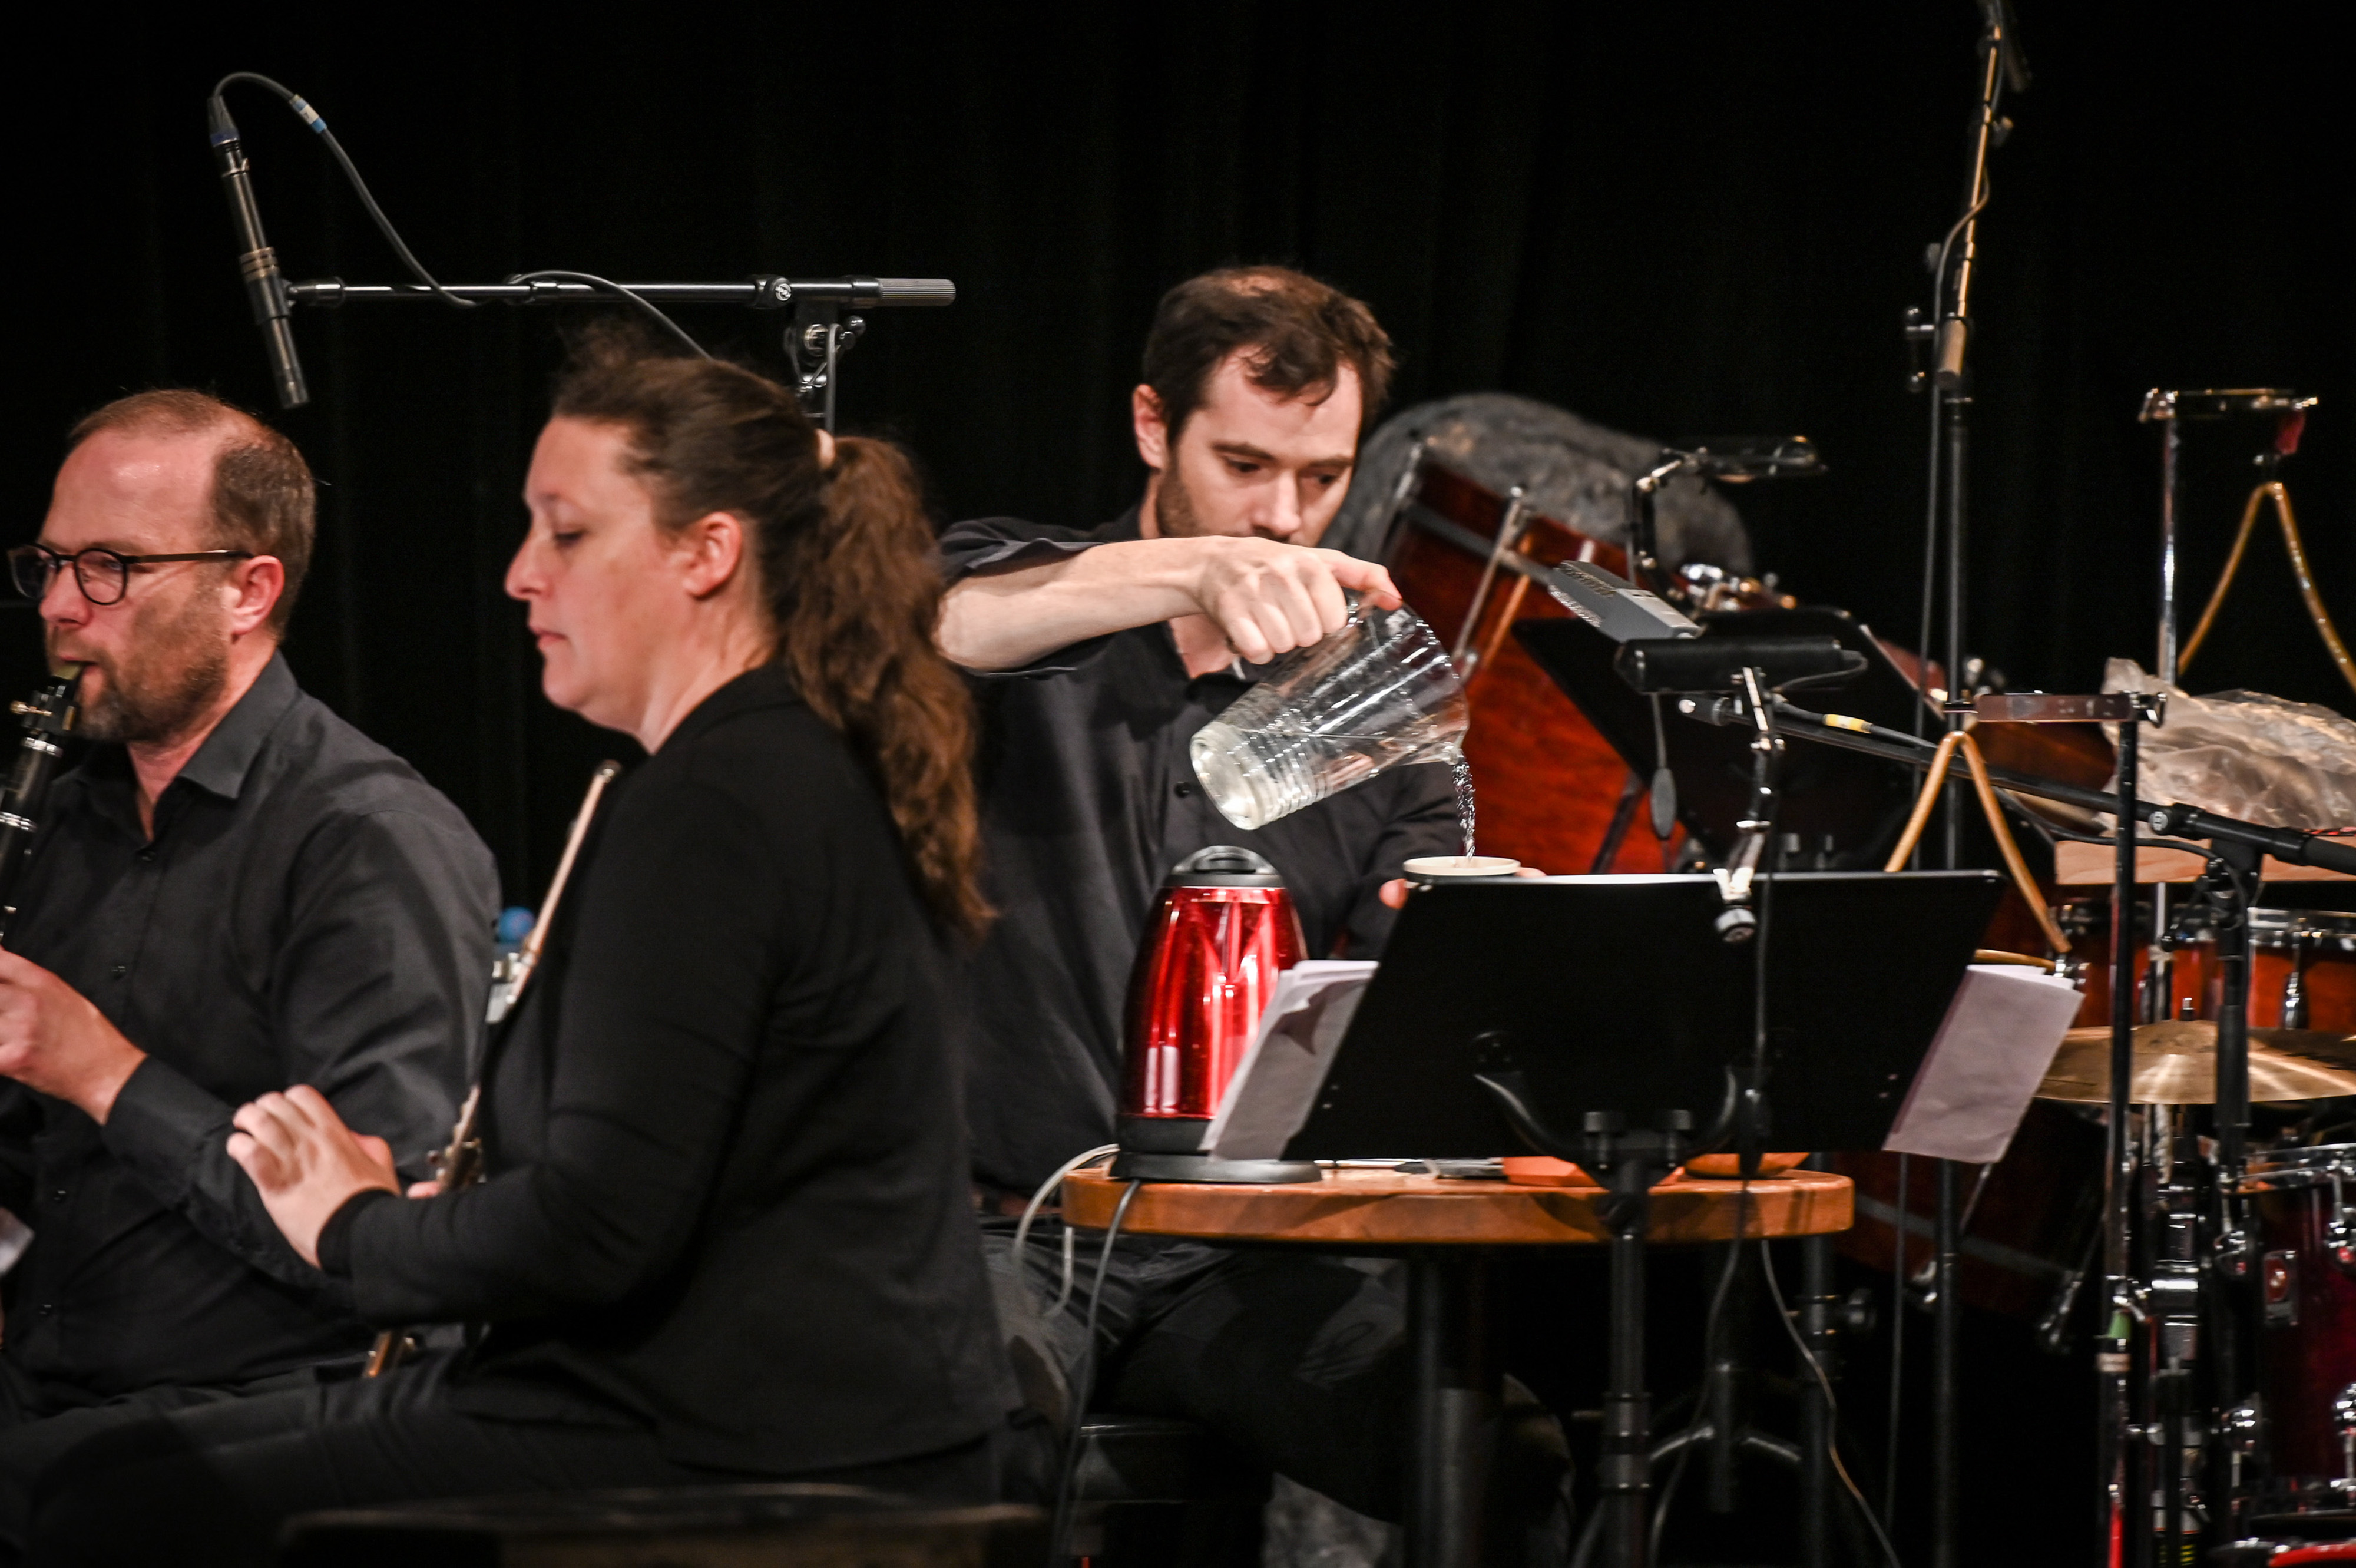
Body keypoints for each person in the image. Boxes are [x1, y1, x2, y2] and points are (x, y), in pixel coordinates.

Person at [20, 340, 1011, 1567]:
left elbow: (597, 1233)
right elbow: (657, 1178)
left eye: (567, 533)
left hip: (750, 1438)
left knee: (100, 1511)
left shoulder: (718, 801)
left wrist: (355, 1224)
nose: (520, 573)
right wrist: (452, 1208)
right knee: (96, 1481)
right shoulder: (755, 767)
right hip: (725, 1405)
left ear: (705, 553)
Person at [937, 268, 1546, 1529]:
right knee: (966, 1425)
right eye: (1243, 465)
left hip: (1244, 1252)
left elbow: (1412, 995)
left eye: (1322, 477)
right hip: (1012, 1233)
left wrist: (1471, 950)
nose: (1282, 515)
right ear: (1152, 425)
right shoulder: (1027, 587)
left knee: (1501, 1457)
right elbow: (940, 622)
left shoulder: (1382, 700)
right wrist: (1195, 569)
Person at [0, 392, 498, 1540]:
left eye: (112, 567)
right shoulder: (67, 818)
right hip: (54, 1384)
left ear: (249, 589)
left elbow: (380, 1251)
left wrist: (106, 1073)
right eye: (52, 564)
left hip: (267, 1403)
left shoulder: (365, 840)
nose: (63, 606)